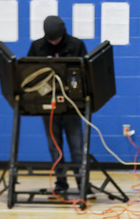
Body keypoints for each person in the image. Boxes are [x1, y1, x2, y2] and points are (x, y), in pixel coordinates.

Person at [27, 15, 94, 199]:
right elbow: (29, 75)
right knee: (54, 148)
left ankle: (83, 185)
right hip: (48, 106)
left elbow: (86, 73)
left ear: (63, 33)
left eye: (56, 39)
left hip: (71, 105)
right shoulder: (37, 47)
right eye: (51, 40)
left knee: (77, 146)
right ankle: (61, 183)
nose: (54, 42)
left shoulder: (76, 45)